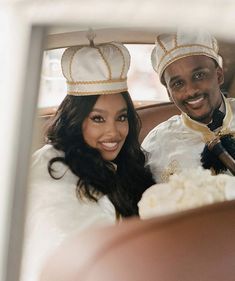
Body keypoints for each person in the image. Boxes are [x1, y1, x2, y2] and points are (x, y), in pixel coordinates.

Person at [20, 39, 154, 281]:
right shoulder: (51, 168)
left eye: (121, 117)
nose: (114, 132)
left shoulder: (124, 161)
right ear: (75, 119)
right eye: (98, 119)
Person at [142, 29, 235, 183]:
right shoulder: (155, 146)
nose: (191, 91)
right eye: (178, 83)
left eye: (199, 75)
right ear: (169, 93)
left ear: (218, 75)